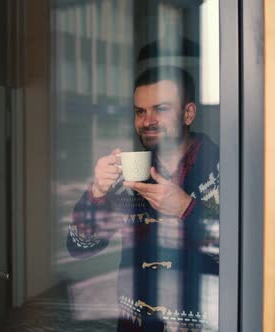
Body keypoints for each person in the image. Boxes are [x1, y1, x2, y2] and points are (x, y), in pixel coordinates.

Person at [67, 66, 220, 332]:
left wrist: (186, 208)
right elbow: (80, 246)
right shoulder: (132, 172)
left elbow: (242, 255)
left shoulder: (222, 168)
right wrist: (97, 194)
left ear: (188, 113)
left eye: (160, 109)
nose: (147, 121)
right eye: (140, 111)